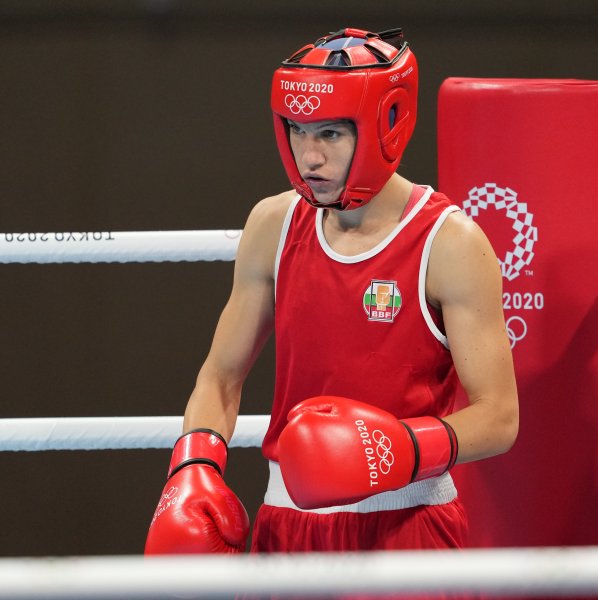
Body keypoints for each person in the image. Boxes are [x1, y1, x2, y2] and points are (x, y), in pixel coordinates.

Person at [143, 25, 520, 579]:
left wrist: (397, 450)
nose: (308, 156)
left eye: (330, 135)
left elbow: (500, 418)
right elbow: (219, 379)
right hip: (287, 529)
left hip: (407, 526)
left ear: (385, 126)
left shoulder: (449, 242)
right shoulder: (273, 224)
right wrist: (195, 465)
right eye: (297, 131)